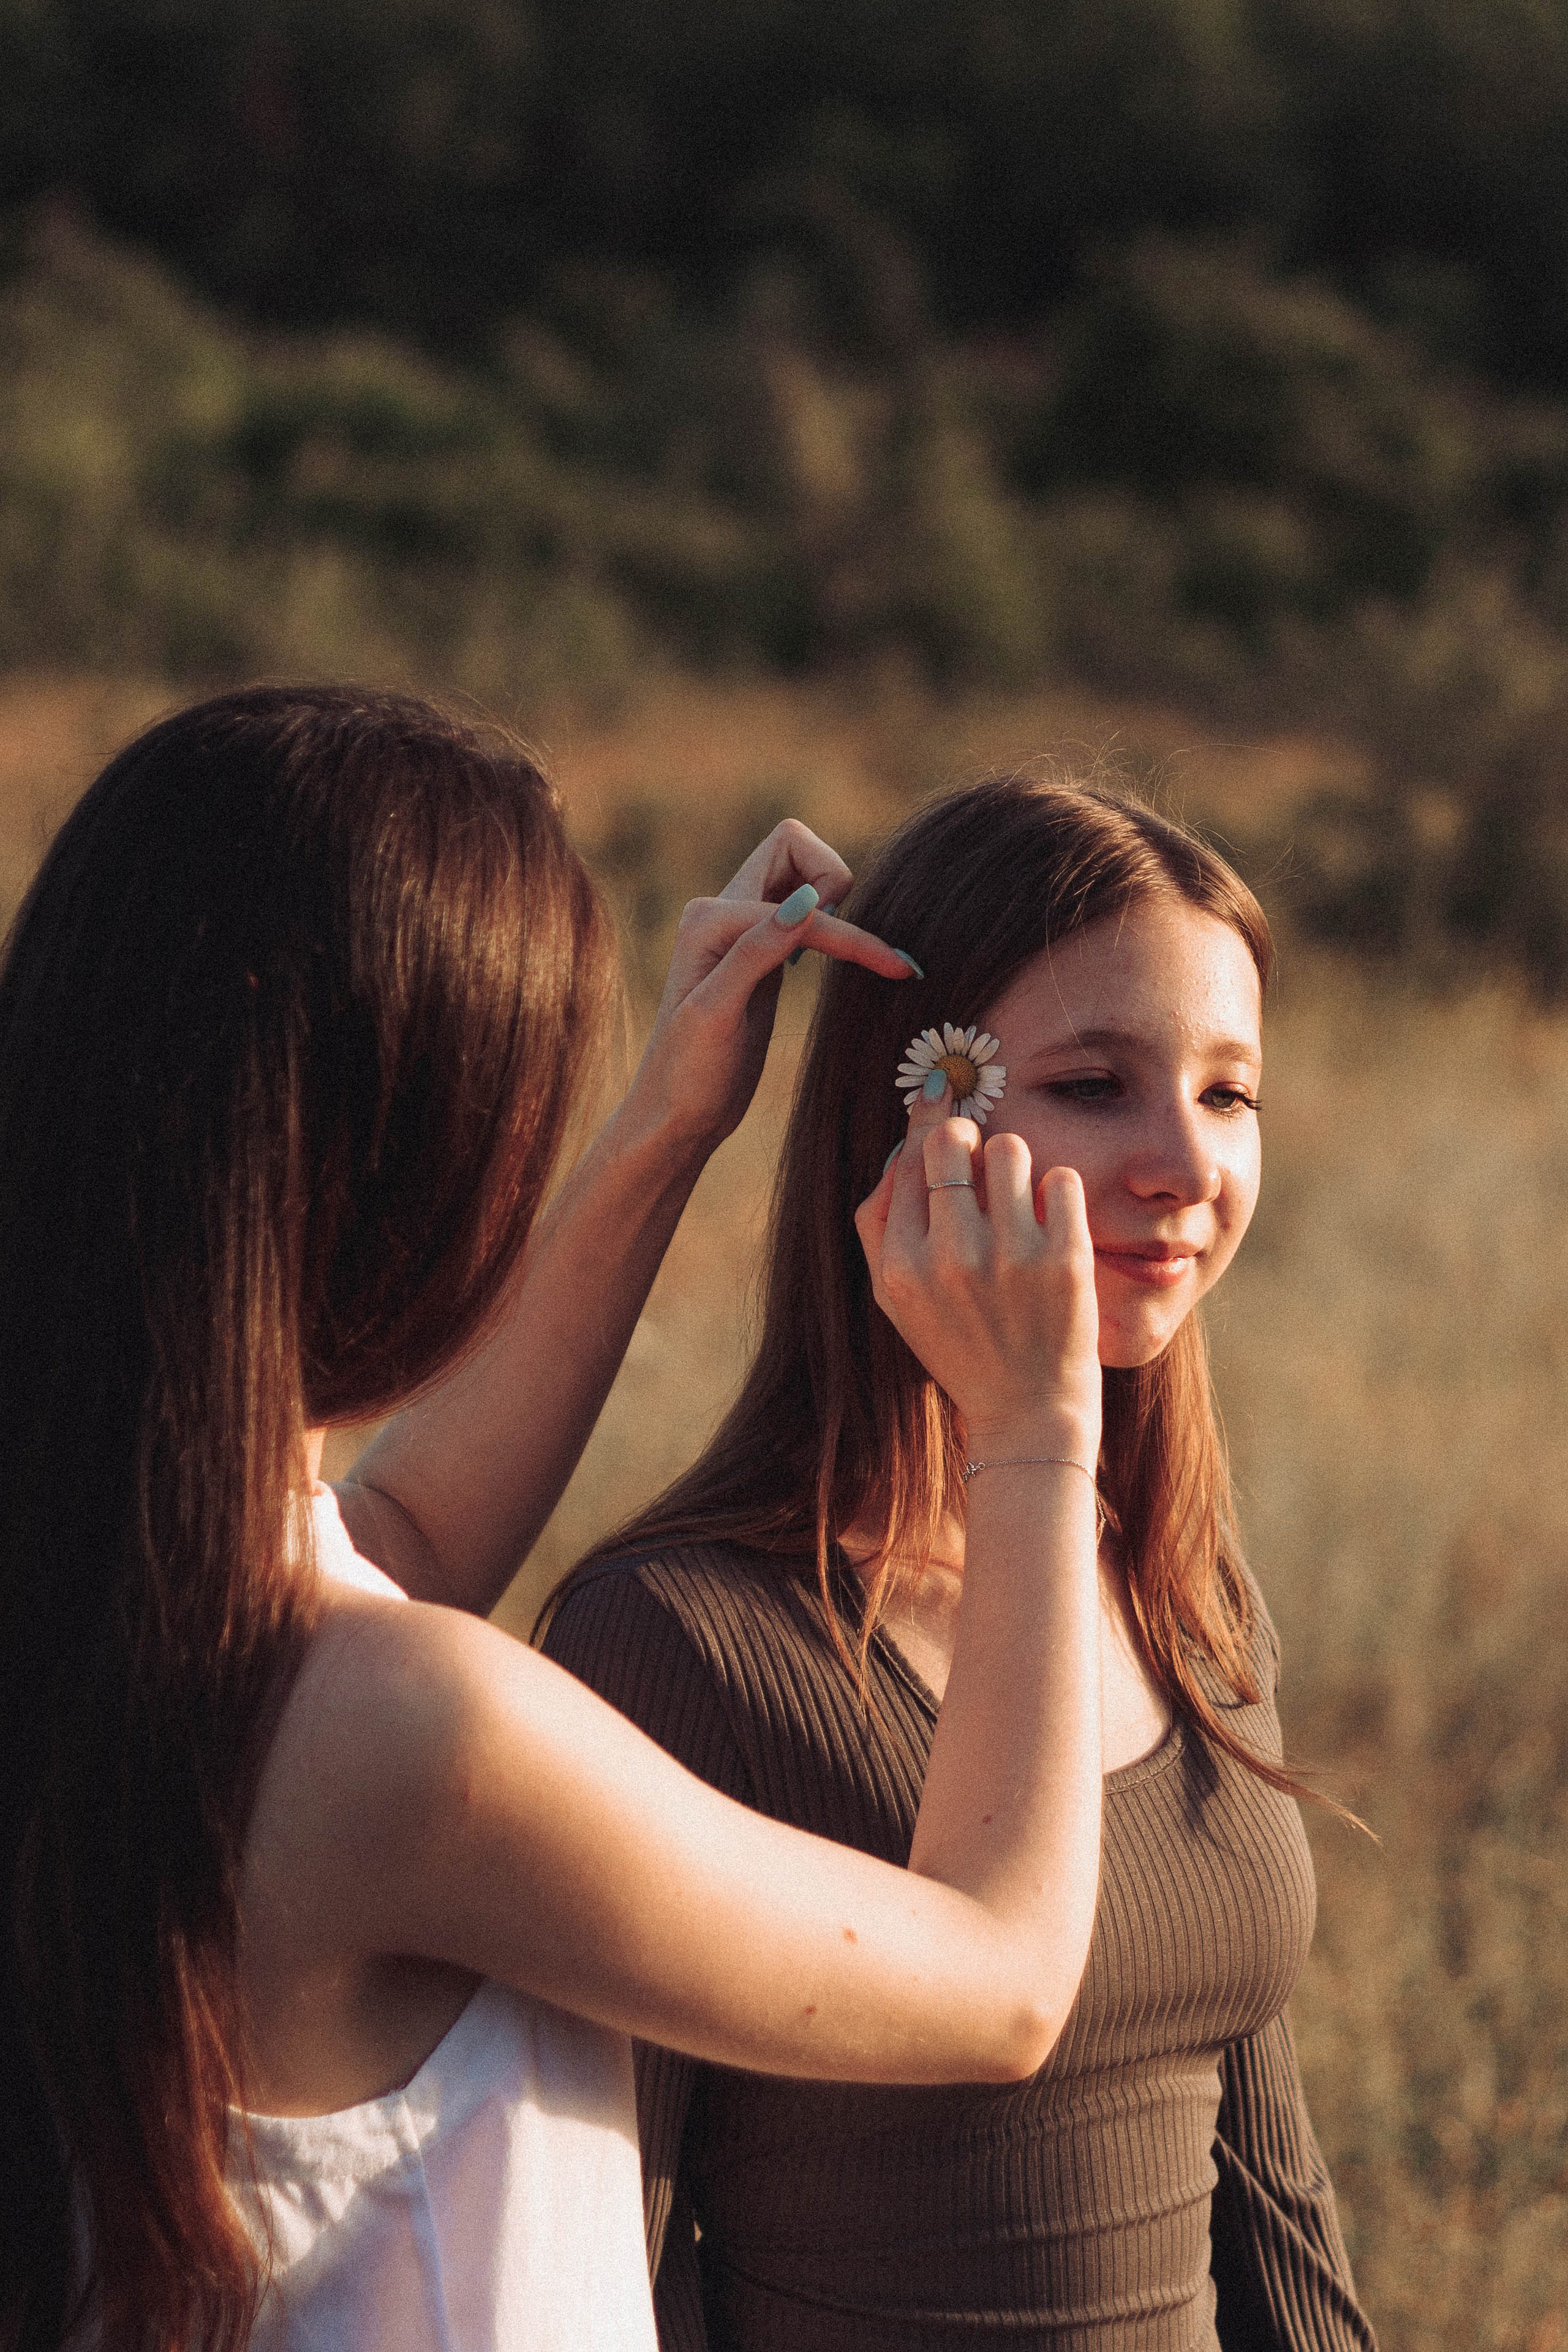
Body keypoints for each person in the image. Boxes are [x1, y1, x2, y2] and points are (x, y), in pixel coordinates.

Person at [0, 688, 1111, 2352]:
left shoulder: (109, 1595)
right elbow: (999, 1982)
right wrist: (1033, 1433)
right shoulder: (412, 1736)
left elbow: (399, 1538)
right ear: (417, 1165)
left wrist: (664, 1129)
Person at [540, 773, 1380, 2351]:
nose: (1185, 1170)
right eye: (1093, 1084)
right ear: (914, 1104)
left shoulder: (1180, 1583)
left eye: (1226, 1093)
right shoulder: (677, 1644)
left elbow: (1274, 2206)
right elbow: (597, 2271)